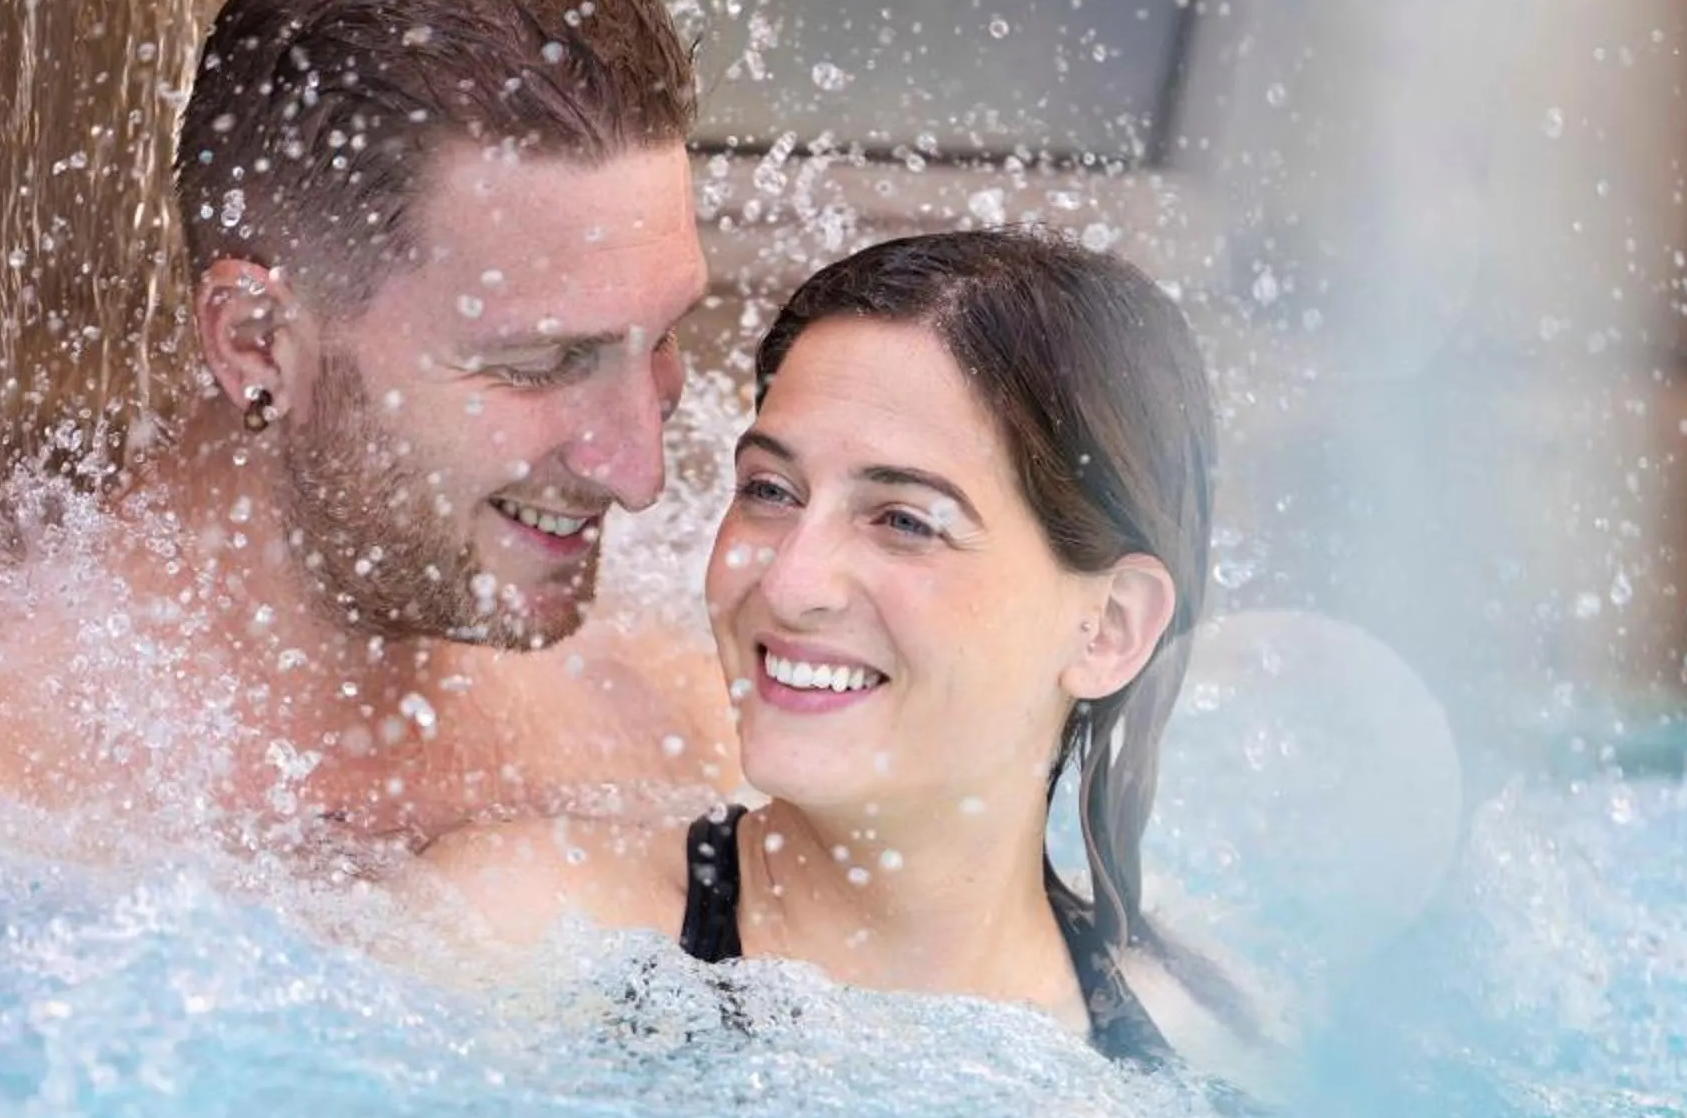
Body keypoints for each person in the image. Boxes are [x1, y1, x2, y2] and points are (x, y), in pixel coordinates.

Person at [0, 0, 728, 854]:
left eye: (659, 337)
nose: (639, 470)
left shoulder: (675, 709)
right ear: (255, 342)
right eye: (539, 362)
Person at [417, 228, 1259, 1068]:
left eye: (903, 521)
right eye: (771, 492)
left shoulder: (1208, 1051)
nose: (789, 583)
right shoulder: (512, 942)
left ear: (1110, 628)